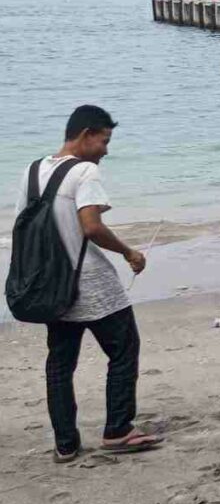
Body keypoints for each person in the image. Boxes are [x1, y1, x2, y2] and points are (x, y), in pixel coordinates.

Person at [14, 105, 159, 462]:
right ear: (86, 135)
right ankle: (119, 430)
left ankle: (66, 444)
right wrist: (129, 253)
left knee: (60, 363)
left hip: (50, 285)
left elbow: (23, 227)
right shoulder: (84, 171)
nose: (106, 150)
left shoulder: (32, 171)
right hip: (90, 284)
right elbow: (91, 226)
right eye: (104, 140)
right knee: (124, 349)